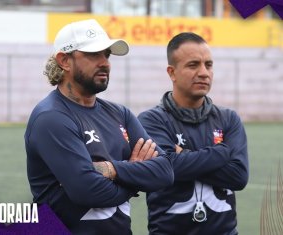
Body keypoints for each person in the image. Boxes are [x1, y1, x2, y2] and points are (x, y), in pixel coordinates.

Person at [24, 19, 177, 235]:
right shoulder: (51, 118)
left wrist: (112, 170)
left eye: (106, 54)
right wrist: (135, 176)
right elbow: (87, 191)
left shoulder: (120, 114)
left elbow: (164, 172)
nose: (105, 62)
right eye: (93, 54)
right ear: (64, 61)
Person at [138, 32, 249, 235]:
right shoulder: (150, 120)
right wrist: (222, 153)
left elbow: (238, 177)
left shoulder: (229, 119)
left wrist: (184, 156)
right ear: (172, 72)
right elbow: (167, 168)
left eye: (208, 65)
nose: (204, 72)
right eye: (193, 65)